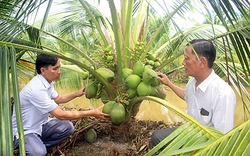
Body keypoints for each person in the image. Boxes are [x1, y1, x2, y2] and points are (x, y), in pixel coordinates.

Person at [12, 53, 110, 156]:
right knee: (39, 153)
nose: (59, 72)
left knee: (67, 127)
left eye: (59, 67)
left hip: (41, 125)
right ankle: (32, 150)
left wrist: (76, 94)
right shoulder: (37, 89)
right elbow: (60, 115)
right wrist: (91, 112)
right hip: (25, 130)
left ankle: (38, 145)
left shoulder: (48, 81)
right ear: (43, 70)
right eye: (55, 69)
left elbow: (58, 98)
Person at [149, 39, 236, 148]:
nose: (183, 62)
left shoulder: (223, 94)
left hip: (206, 142)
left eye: (186, 58)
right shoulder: (193, 81)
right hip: (190, 132)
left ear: (202, 62)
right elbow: (187, 96)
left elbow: (222, 138)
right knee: (156, 137)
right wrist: (168, 83)